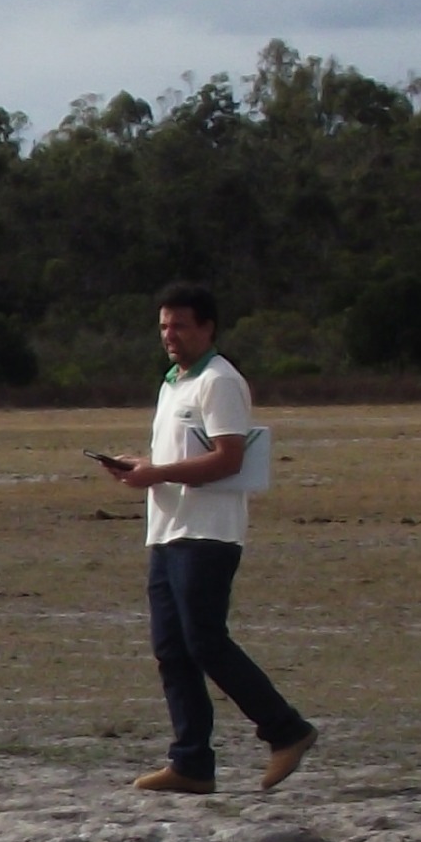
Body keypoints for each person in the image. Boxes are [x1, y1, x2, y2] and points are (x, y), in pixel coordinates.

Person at [99, 282, 316, 796]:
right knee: (172, 649)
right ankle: (191, 761)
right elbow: (178, 454)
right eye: (163, 326)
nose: (170, 336)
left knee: (205, 641)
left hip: (208, 533)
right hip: (168, 529)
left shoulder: (219, 382)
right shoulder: (173, 382)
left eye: (180, 325)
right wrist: (142, 467)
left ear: (207, 327)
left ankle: (286, 730)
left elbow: (229, 456)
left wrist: (158, 474)